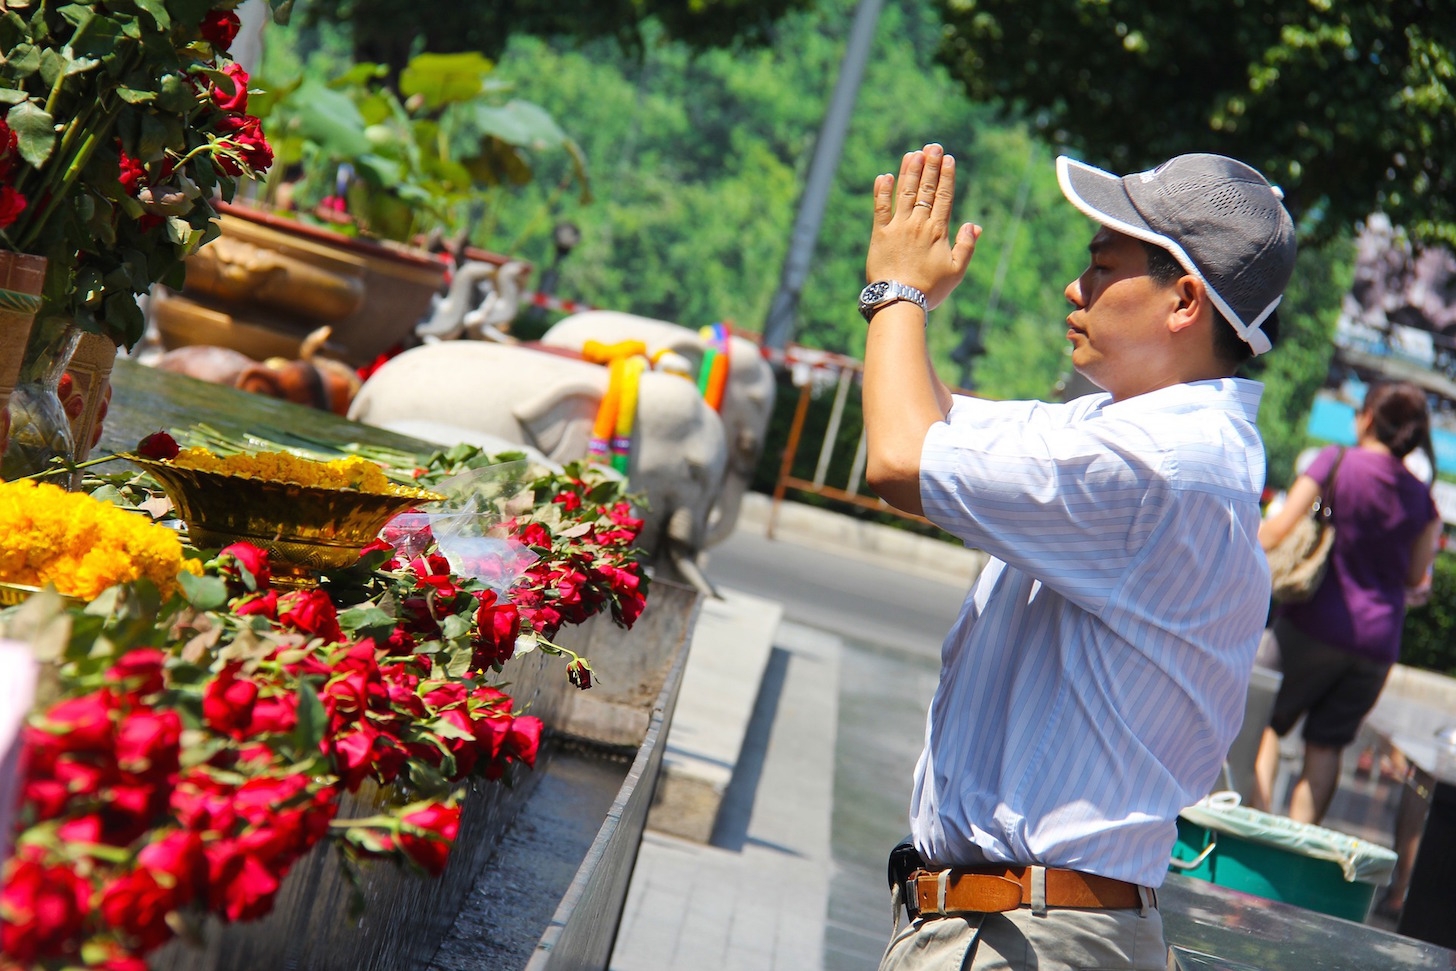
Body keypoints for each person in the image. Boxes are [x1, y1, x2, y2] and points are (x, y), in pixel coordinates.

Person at [860, 144, 1296, 970]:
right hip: (1018, 924)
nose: (1075, 286)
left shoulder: (1159, 463)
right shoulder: (1132, 431)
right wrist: (900, 312)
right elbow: (929, 421)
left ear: (1184, 301)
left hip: (1030, 935)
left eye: (1103, 266)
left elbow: (898, 459)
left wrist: (898, 294)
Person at [1249, 383, 1441, 833]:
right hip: (1377, 643)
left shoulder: (1336, 461)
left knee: (1265, 721)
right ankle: (1298, 854)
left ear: (1369, 418)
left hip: (1313, 624)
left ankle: (1256, 832)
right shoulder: (1423, 500)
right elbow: (1416, 578)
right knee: (1326, 746)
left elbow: (1276, 532)